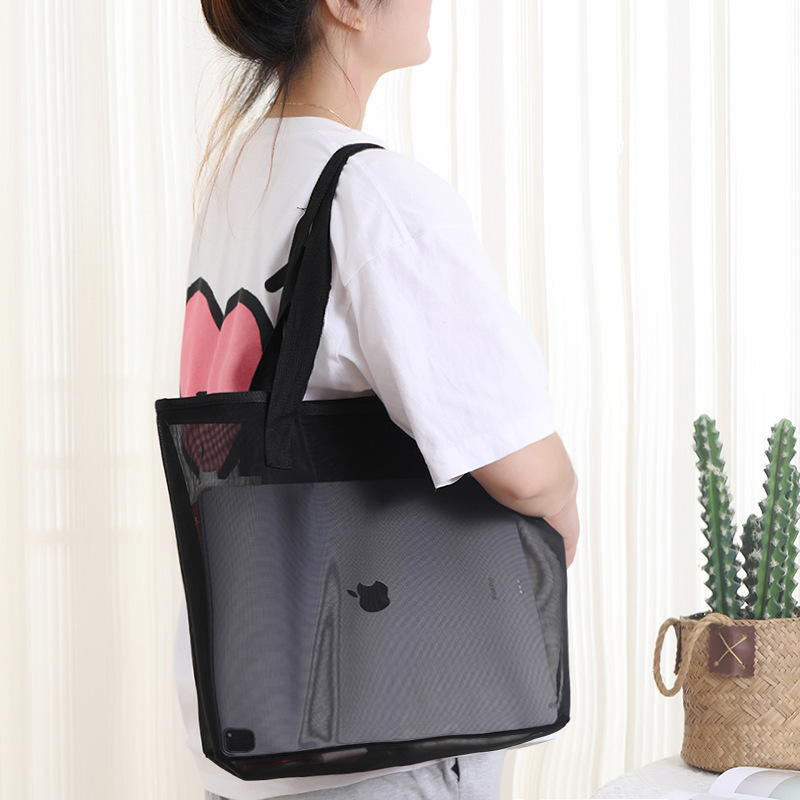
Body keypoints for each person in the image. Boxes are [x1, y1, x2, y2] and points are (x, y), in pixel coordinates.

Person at [176, 1, 580, 798]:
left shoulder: (241, 174)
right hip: (379, 744)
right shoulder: (372, 195)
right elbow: (524, 468)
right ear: (348, 5)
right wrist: (563, 503)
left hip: (253, 725)